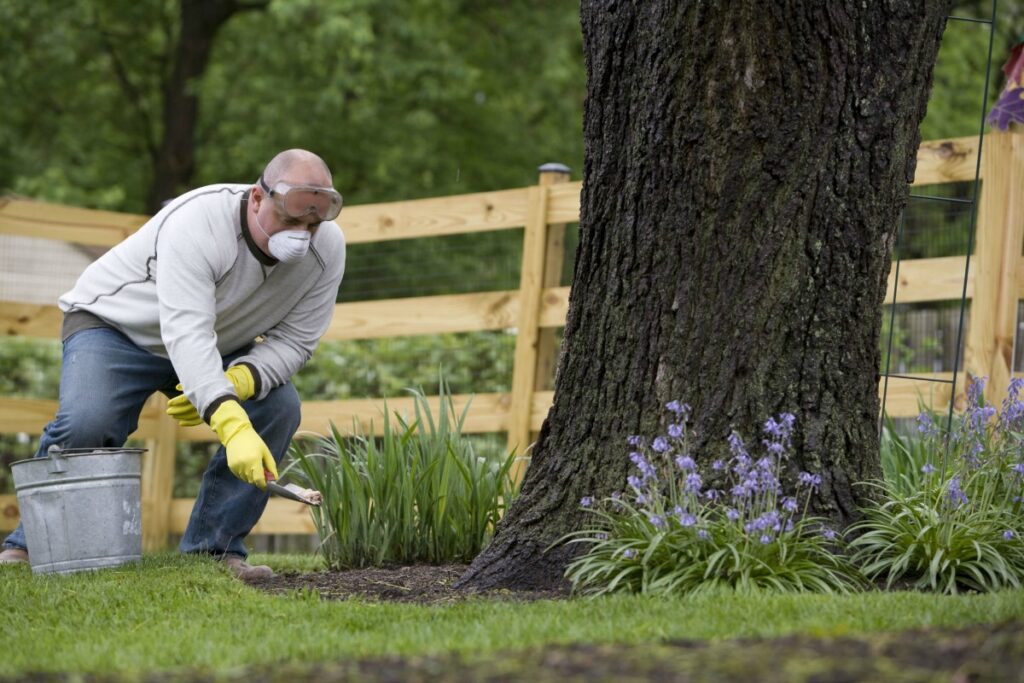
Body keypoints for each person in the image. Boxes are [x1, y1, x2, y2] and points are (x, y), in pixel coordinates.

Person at [0, 149, 346, 579]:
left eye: (312, 225)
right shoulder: (199, 221)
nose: (301, 236)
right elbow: (186, 331)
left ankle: (213, 553)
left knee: (277, 408)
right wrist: (230, 422)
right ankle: (29, 545)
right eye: (290, 221)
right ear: (257, 198)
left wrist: (239, 381)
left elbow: (296, 340)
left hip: (218, 341)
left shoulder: (327, 251)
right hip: (118, 326)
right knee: (90, 420)